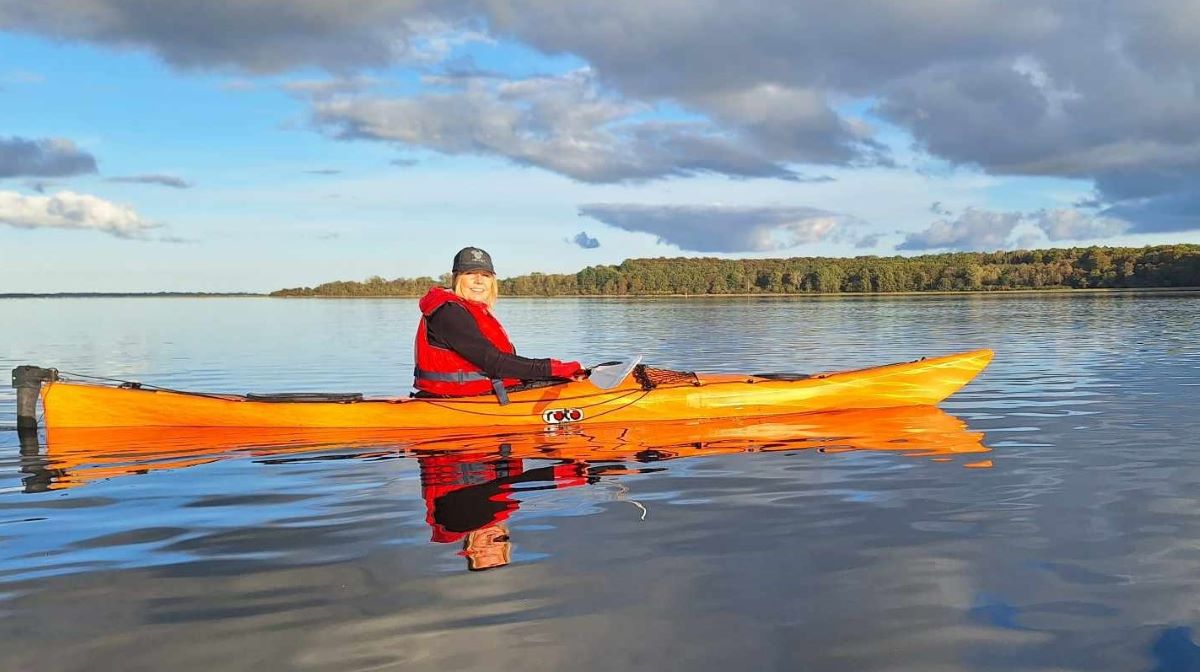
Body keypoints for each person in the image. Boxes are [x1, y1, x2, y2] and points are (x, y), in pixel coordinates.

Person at [413, 246, 585, 401]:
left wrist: (559, 373)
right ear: (456, 278)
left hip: (478, 393)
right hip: (456, 398)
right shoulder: (449, 312)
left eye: (486, 275)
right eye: (471, 273)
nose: (479, 280)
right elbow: (494, 363)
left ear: (492, 281)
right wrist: (555, 368)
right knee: (569, 383)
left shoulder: (469, 310)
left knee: (569, 380)